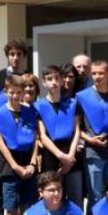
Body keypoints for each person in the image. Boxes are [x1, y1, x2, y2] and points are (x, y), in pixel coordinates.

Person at [0, 75, 40, 215]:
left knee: (26, 207)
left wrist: (33, 163)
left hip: (28, 164)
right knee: (10, 208)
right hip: (9, 167)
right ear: (5, 92)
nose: (15, 96)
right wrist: (15, 166)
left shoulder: (30, 112)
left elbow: (36, 139)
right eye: (11, 92)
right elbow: (0, 143)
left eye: (18, 92)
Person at [76, 60, 108, 207]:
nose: (97, 76)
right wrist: (90, 140)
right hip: (93, 155)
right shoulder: (82, 97)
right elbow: (77, 128)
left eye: (101, 73)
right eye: (94, 73)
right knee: (96, 197)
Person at [34, 65, 85, 207]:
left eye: (57, 78)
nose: (54, 82)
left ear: (62, 80)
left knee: (76, 199)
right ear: (44, 83)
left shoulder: (72, 103)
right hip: (51, 156)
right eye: (50, 79)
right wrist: (61, 156)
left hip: (72, 155)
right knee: (52, 199)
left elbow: (77, 131)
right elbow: (42, 136)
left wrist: (70, 157)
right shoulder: (38, 106)